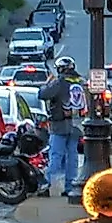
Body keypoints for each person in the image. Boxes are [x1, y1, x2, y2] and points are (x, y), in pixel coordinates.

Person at [36, 59, 81, 198]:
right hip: (77, 124)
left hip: (60, 125)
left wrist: (48, 82)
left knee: (55, 156)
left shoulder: (59, 82)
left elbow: (42, 94)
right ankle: (70, 186)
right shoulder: (80, 81)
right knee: (72, 157)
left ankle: (46, 184)